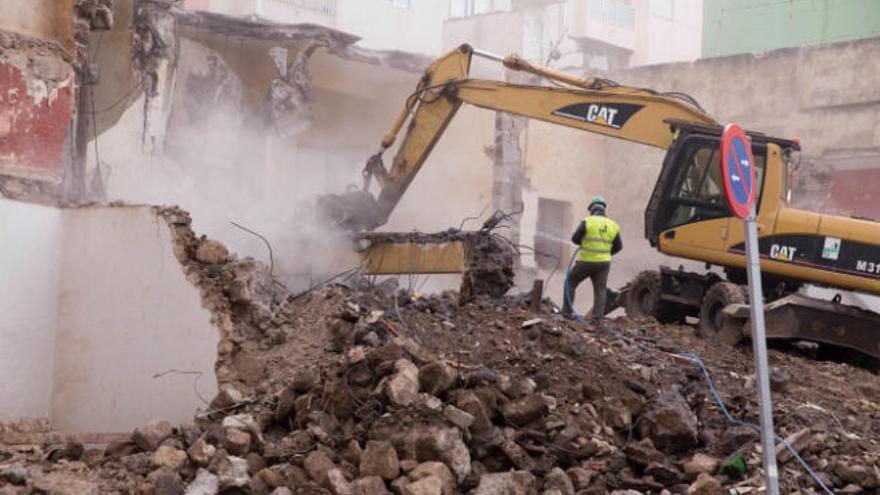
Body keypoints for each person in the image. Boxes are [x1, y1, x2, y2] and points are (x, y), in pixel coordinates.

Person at [562, 196, 622, 321]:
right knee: (600, 291)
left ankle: (566, 313)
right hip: (604, 264)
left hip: (586, 262)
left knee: (570, 282)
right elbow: (618, 246)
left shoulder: (588, 221)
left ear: (592, 210)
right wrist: (606, 253)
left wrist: (585, 243)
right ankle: (597, 320)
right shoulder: (613, 225)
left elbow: (575, 238)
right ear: (603, 210)